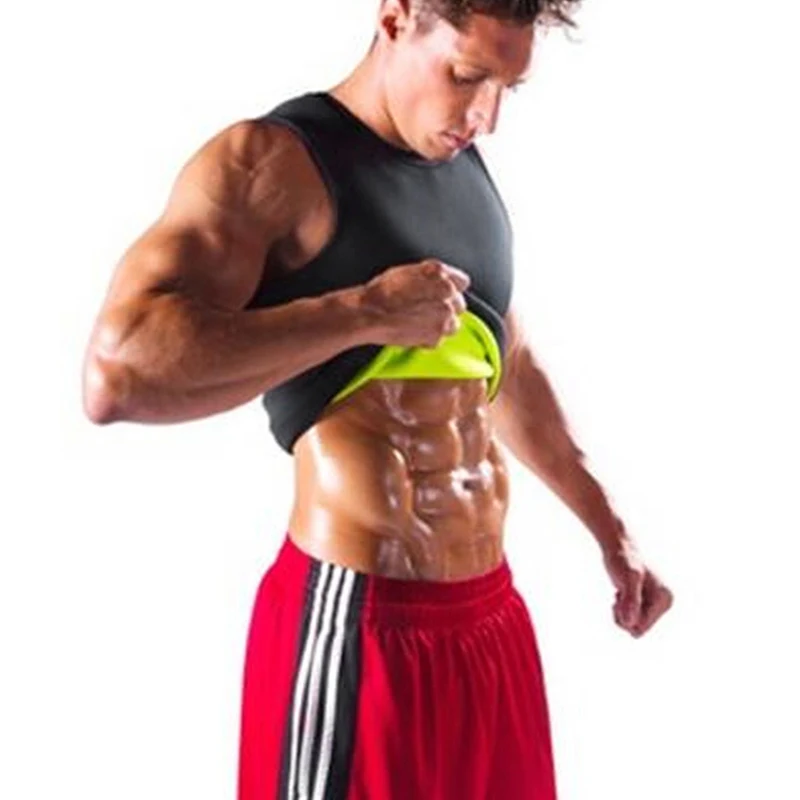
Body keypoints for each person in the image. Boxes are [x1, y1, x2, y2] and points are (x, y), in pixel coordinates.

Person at [82, 0, 674, 796]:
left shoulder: (466, 171)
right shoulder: (270, 163)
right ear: (396, 18)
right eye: (466, 75)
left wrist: (611, 528)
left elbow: (507, 362)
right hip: (357, 622)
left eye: (507, 88)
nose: (486, 116)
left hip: (489, 618)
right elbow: (117, 373)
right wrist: (361, 312)